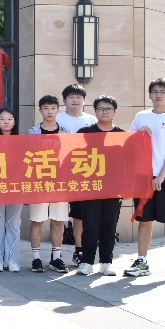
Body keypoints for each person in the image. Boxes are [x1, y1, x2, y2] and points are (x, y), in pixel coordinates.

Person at [126, 79, 165, 281]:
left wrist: (161, 175)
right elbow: (129, 143)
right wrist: (139, 134)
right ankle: (142, 261)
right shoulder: (141, 116)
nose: (158, 95)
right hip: (143, 177)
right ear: (149, 95)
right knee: (144, 221)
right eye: (154, 91)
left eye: (163, 91)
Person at [76, 95, 125, 276]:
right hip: (91, 186)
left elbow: (129, 162)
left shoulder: (122, 135)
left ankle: (106, 262)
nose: (104, 112)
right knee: (90, 225)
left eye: (108, 109)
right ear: (95, 111)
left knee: (109, 227)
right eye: (101, 109)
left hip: (114, 188)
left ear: (115, 111)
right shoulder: (85, 132)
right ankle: (86, 262)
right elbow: (74, 155)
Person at [26, 95, 69, 273]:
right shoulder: (32, 132)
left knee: (58, 220)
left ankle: (56, 258)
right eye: (45, 108)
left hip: (59, 183)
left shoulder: (66, 133)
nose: (49, 111)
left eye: (53, 108)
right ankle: (36, 258)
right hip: (39, 183)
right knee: (37, 220)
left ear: (58, 110)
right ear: (40, 110)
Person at [58, 84, 97, 265]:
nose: (75, 100)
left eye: (78, 97)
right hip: (60, 172)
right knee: (58, 215)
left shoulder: (92, 120)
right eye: (71, 97)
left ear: (84, 100)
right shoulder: (57, 118)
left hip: (84, 172)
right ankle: (56, 254)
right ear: (64, 100)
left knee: (80, 214)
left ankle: (79, 249)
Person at [0, 108, 24, 272]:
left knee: (14, 223)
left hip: (16, 187)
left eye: (10, 118)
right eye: (2, 119)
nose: (6, 122)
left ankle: (12, 259)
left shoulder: (21, 141)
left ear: (14, 122)